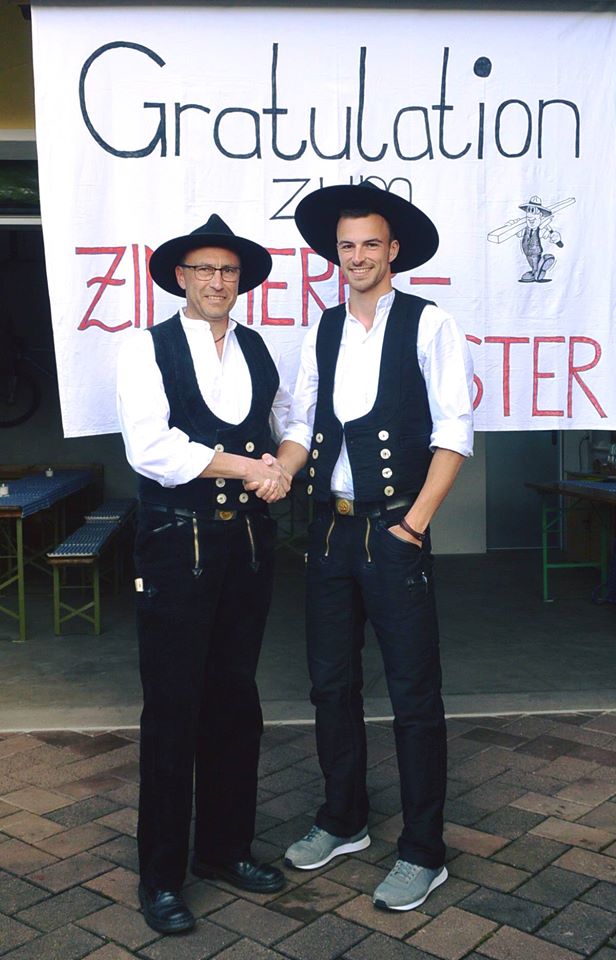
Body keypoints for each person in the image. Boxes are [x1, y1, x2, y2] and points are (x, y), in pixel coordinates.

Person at [256, 182, 474, 912]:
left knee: (413, 694)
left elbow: (453, 434)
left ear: (393, 250)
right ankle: (343, 819)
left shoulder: (428, 323)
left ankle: (423, 850)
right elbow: (303, 417)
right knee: (330, 684)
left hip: (392, 529)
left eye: (369, 245)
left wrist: (412, 525)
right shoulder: (322, 327)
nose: (356, 257)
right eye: (345, 246)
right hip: (327, 530)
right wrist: (281, 470)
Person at [117, 214, 292, 934]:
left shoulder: (255, 345)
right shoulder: (145, 348)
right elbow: (151, 448)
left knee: (234, 701)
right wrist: (248, 467)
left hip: (245, 546)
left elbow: (283, 416)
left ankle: (224, 850)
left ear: (239, 281)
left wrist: (283, 462)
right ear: (180, 278)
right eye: (204, 270)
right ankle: (160, 876)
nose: (217, 282)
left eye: (229, 271)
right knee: (171, 710)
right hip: (175, 544)